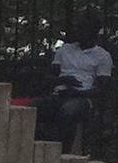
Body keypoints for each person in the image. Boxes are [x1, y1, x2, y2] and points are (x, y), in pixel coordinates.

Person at [39, 12, 113, 153]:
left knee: (67, 112)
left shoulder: (103, 56)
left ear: (93, 31)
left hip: (81, 98)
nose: (77, 31)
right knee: (33, 107)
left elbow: (102, 89)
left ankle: (64, 152)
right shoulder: (65, 50)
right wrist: (63, 80)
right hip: (58, 94)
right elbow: (49, 77)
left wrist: (76, 93)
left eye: (82, 28)